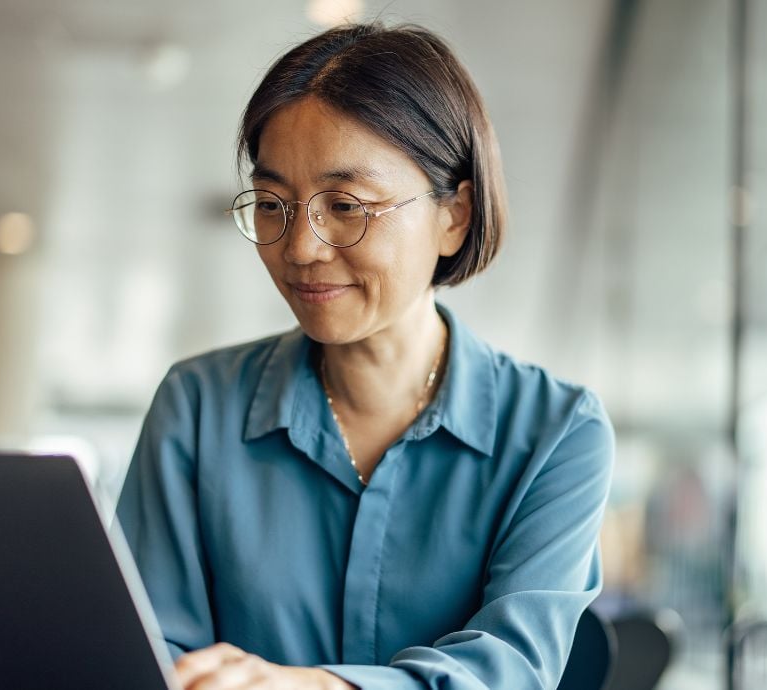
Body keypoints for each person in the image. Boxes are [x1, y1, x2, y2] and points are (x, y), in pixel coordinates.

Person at [116, 22, 614, 690]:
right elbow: (147, 650)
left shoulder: (556, 432)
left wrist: (316, 687)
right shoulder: (198, 407)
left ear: (454, 216)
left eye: (345, 205)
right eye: (272, 205)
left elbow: (512, 670)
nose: (300, 249)